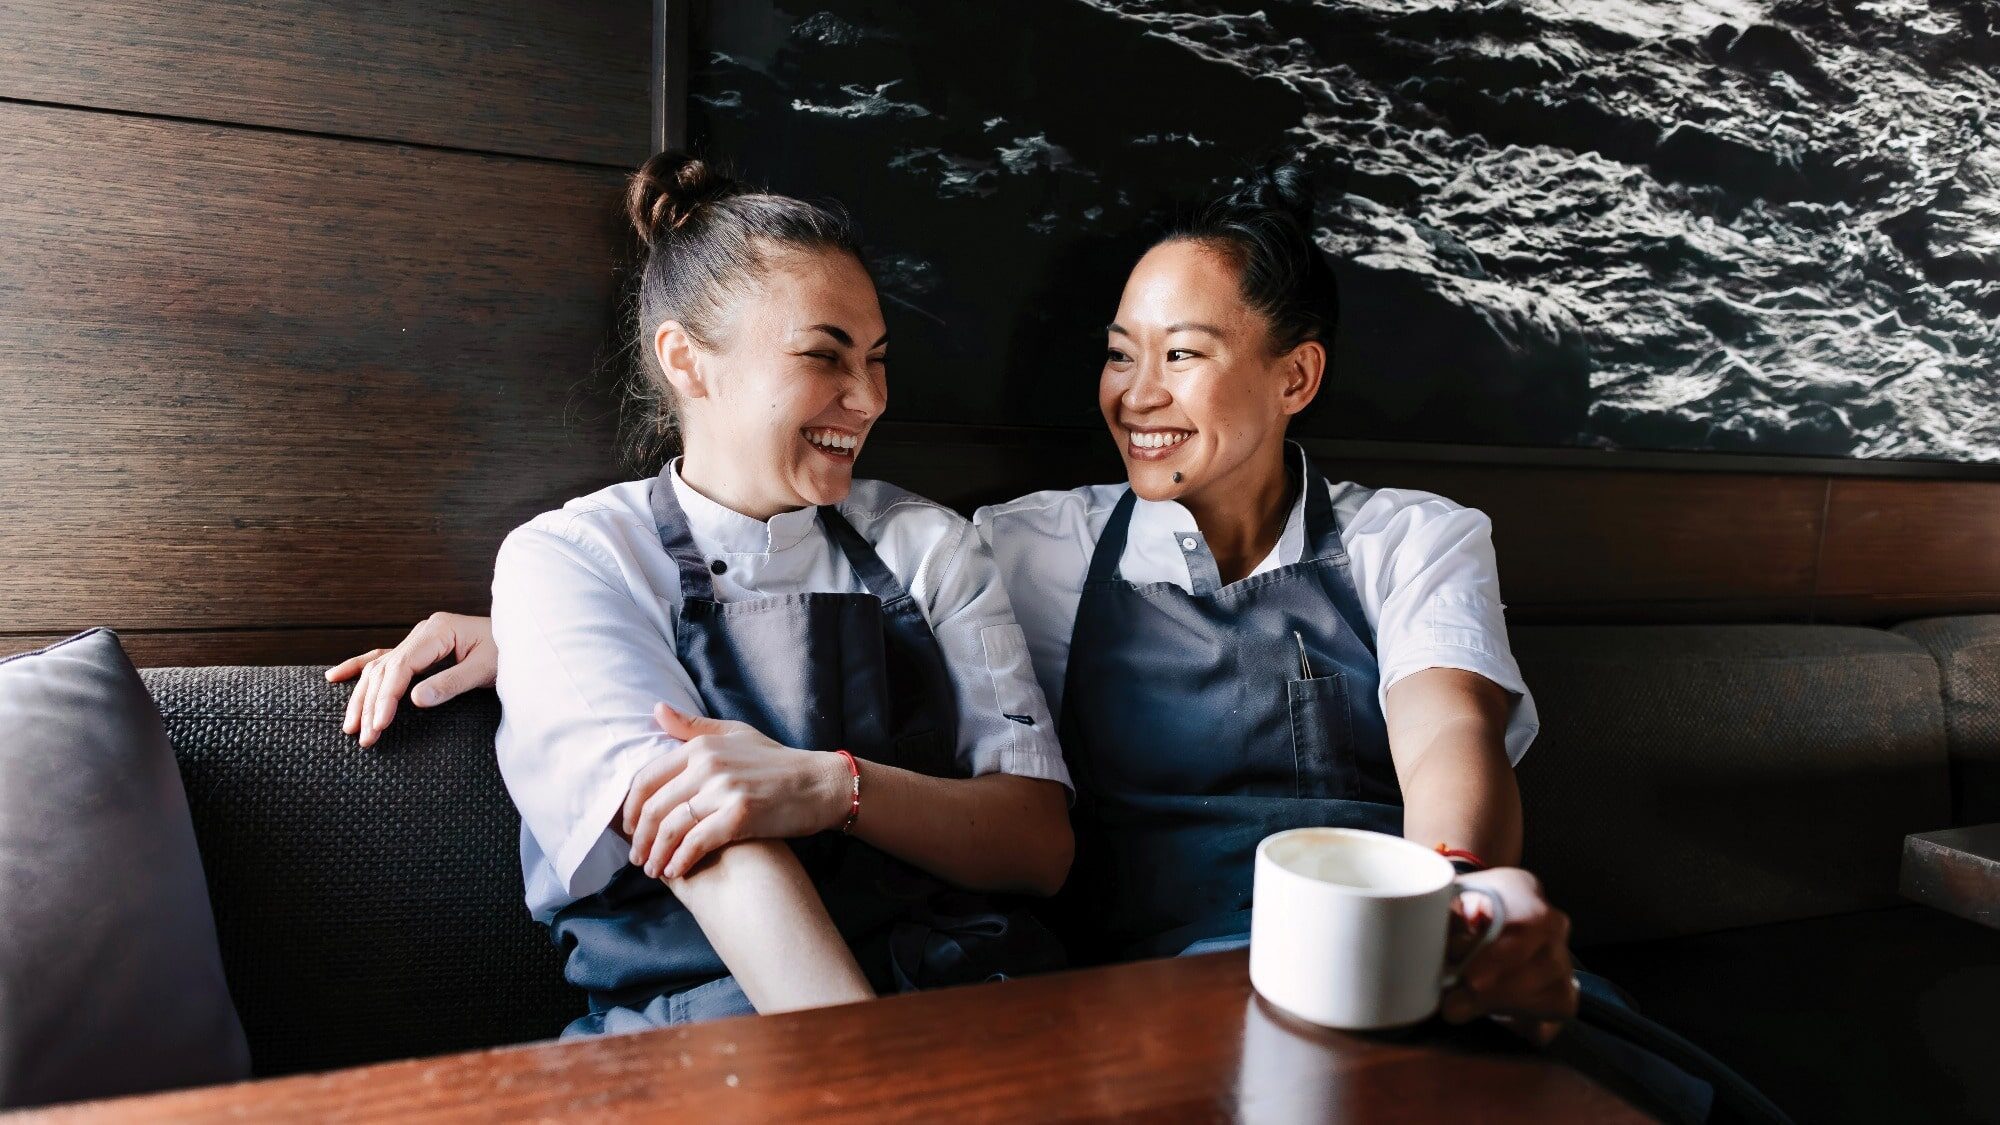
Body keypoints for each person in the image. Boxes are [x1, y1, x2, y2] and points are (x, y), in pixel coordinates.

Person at [335, 159, 1782, 1121]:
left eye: (1185, 354)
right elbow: (695, 654)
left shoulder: (1406, 538)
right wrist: (536, 621)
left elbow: (1445, 743)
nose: (1137, 393)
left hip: (1380, 950)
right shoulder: (1029, 540)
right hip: (1102, 1003)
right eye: (1118, 351)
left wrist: (1457, 908)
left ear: (1297, 376)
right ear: (686, 363)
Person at [380, 151, 1075, 1035]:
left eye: (877, 358)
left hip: (969, 989)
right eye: (825, 355)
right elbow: (710, 843)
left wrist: (835, 786)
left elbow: (1040, 845)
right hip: (708, 1032)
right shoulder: (572, 559)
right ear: (687, 360)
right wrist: (877, 1086)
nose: (867, 398)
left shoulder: (927, 544)